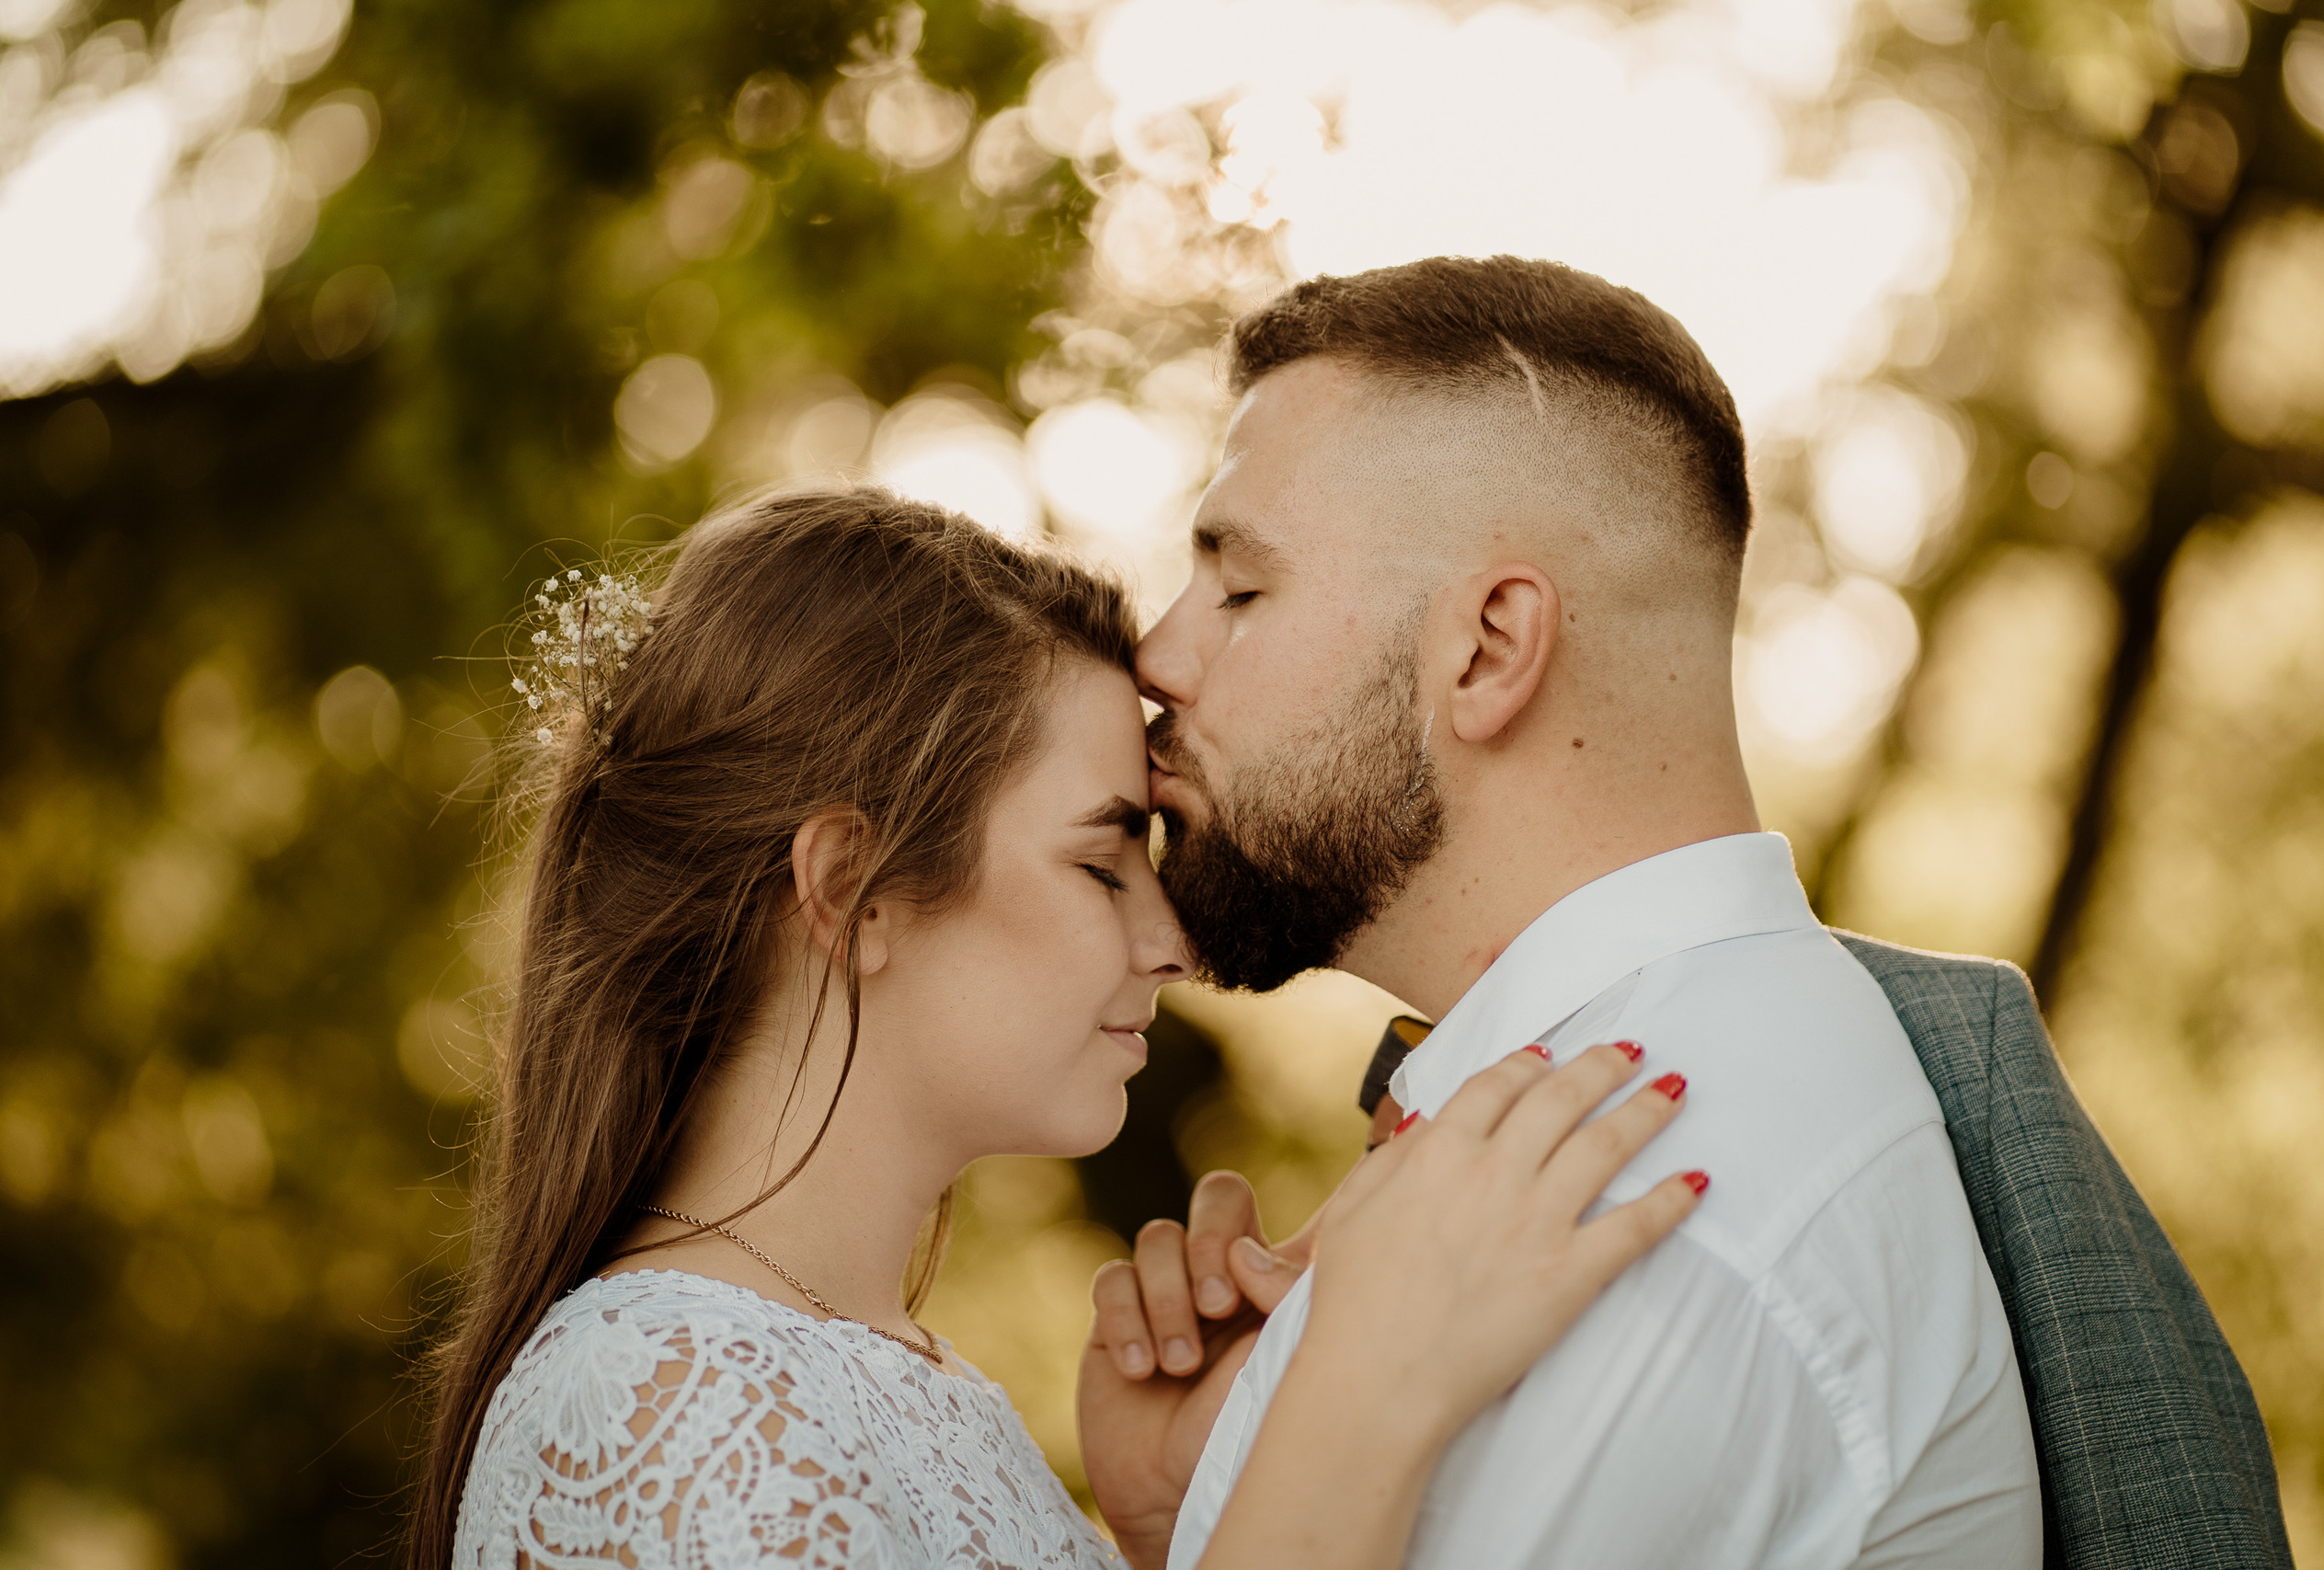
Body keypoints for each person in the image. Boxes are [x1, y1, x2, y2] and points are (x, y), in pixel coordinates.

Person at [1080, 255, 2292, 1569]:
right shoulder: (1580, 1136)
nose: (1159, 656)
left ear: (1487, 649)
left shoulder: (1640, 1212)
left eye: (1241, 587)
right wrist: (1176, 1521)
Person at [405, 487, 1713, 1570]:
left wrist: (1164, 1528)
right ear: (850, 892)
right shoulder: (659, 1406)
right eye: (1102, 864)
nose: (1175, 943)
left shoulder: (882, 1378)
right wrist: (1358, 1397)